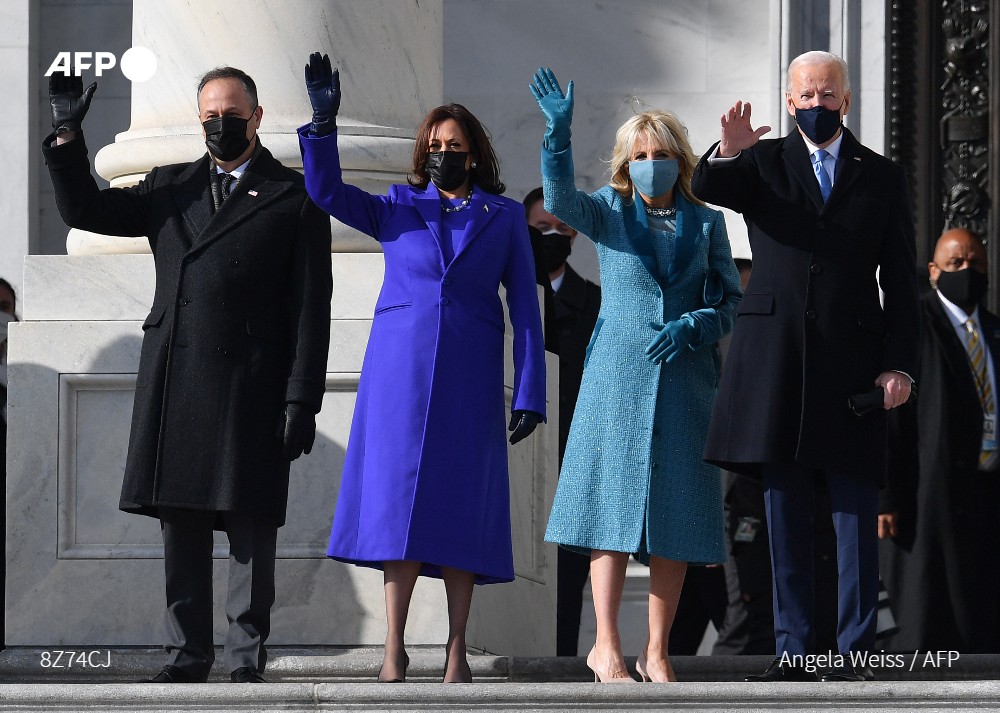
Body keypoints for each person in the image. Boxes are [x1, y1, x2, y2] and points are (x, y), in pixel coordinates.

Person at [42, 67, 333, 683]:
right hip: (179, 379)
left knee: (252, 525)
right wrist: (68, 137)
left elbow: (310, 308)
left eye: (230, 113)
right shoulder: (169, 188)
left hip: (255, 384)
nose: (219, 124)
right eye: (208, 115)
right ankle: (186, 654)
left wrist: (301, 398)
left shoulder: (292, 197)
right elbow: (85, 207)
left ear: (255, 117)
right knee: (183, 523)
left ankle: (246, 657)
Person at [298, 53, 545, 684]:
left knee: (464, 504)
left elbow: (525, 306)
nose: (443, 152)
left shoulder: (506, 216)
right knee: (398, 505)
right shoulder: (398, 206)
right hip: (398, 376)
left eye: (454, 145)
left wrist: (531, 394)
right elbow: (325, 192)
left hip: (470, 376)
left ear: (474, 152)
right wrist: (322, 126)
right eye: (434, 144)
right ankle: (394, 647)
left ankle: (458, 646)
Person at [692, 50, 921, 682]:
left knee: (852, 513)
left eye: (827, 95)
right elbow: (709, 189)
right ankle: (794, 650)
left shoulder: (881, 177)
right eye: (805, 95)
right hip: (775, 361)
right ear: (789, 102)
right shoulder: (762, 163)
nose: (816, 105)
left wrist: (899, 364)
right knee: (782, 513)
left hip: (853, 364)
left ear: (846, 101)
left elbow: (902, 282)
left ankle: (855, 653)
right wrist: (729, 150)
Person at [530, 67, 741, 683]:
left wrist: (695, 326)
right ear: (627, 162)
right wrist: (557, 135)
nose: (652, 163)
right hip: (618, 378)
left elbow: (730, 300)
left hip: (684, 378)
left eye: (663, 153)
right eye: (641, 154)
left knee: (675, 511)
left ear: (681, 160)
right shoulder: (609, 210)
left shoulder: (707, 223)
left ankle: (657, 650)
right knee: (611, 508)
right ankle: (606, 646)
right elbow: (560, 200)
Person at [879, 227, 1000, 654]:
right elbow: (890, 417)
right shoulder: (911, 326)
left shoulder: (993, 331)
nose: (967, 271)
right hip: (926, 494)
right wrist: (886, 496)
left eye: (976, 264)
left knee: (979, 611)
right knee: (926, 613)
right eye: (956, 263)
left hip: (985, 490)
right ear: (934, 271)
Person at [523, 187, 601, 657]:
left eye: (561, 229)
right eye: (540, 229)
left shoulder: (593, 303)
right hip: (515, 452)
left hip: (572, 456)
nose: (551, 237)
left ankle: (564, 667)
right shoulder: (505, 297)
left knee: (568, 579)